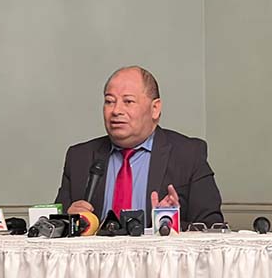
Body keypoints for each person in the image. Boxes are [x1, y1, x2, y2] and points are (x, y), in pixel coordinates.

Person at [55, 66, 223, 228]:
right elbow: (54, 227)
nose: (116, 110)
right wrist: (70, 221)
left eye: (128, 101)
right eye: (109, 101)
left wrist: (167, 223)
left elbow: (211, 225)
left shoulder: (188, 154)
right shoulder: (79, 157)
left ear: (155, 108)